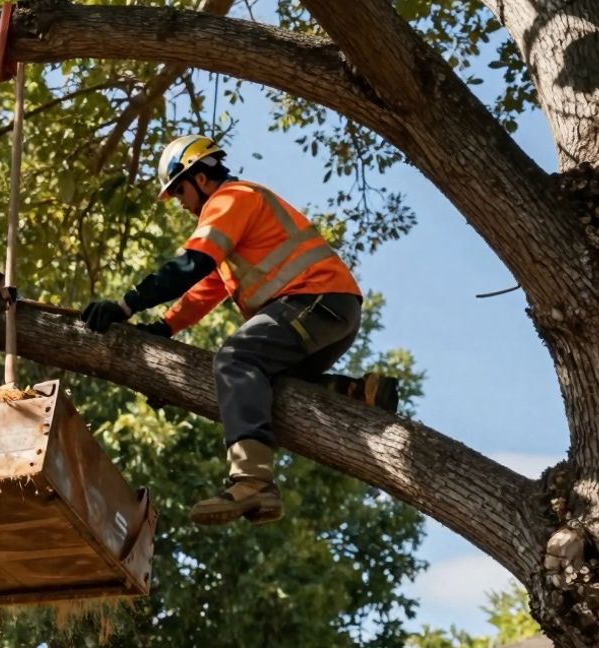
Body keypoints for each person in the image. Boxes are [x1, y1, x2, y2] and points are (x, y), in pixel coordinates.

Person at [81, 134, 393, 526]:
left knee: (236, 357)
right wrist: (163, 327)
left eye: (180, 192)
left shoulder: (230, 199)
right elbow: (204, 289)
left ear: (201, 179)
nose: (181, 204)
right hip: (328, 311)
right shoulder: (237, 224)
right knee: (265, 385)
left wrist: (125, 305)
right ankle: (354, 394)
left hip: (314, 301)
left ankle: (251, 482)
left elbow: (190, 266)